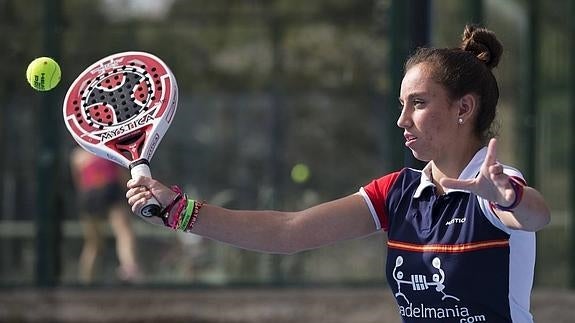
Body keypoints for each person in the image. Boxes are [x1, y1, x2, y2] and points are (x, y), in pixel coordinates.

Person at [125, 25, 550, 322]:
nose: (401, 120)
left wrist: (507, 196)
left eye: (418, 104)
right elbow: (288, 232)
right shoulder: (397, 192)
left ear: (463, 108)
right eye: (401, 105)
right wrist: (180, 211)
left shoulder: (496, 185)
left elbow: (534, 216)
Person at [70, 147, 141, 284]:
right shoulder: (109, 148)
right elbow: (122, 175)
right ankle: (129, 269)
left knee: (95, 242)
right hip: (105, 192)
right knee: (122, 233)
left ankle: (86, 280)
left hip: (91, 195)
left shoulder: (77, 156)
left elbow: (79, 183)